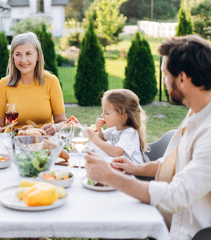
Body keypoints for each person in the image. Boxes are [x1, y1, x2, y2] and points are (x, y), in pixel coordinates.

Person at [85, 35, 211, 240]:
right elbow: (174, 162)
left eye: (164, 75)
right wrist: (135, 168)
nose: (162, 81)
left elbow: (177, 196)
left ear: (182, 78)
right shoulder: (196, 112)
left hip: (182, 232)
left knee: (107, 225)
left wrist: (111, 177)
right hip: (161, 216)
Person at [0, 32, 67, 136]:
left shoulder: (51, 81)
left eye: (28, 53)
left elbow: (63, 122)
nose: (23, 60)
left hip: (44, 143)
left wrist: (56, 127)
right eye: (18, 54)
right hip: (13, 142)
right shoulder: (3, 84)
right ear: (13, 57)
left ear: (37, 56)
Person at [87, 89, 149, 164]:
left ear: (122, 116)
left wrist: (95, 139)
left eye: (107, 113)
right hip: (121, 168)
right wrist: (99, 129)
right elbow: (102, 138)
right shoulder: (115, 128)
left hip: (134, 173)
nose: (102, 115)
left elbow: (116, 152)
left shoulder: (130, 133)